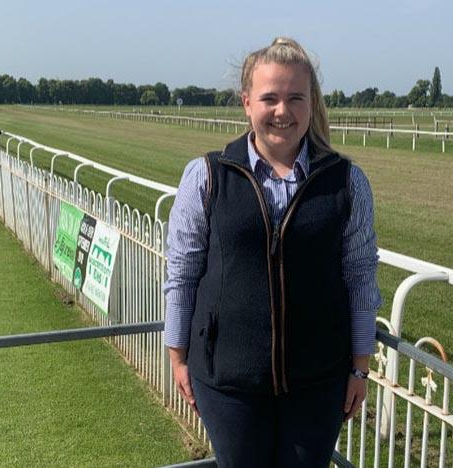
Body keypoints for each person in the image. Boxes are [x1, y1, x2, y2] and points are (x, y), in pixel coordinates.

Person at [164, 37, 381, 468]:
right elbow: (183, 271)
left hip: (318, 381)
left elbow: (359, 276)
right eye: (270, 98)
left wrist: (359, 367)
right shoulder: (207, 175)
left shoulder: (346, 182)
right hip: (228, 383)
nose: (283, 111)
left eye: (295, 98)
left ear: (311, 102)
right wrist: (177, 355)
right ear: (247, 103)